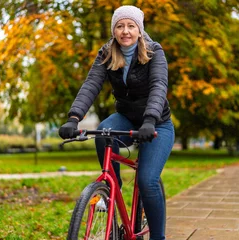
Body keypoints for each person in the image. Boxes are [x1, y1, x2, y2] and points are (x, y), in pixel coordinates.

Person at [59, 5, 174, 240]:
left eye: (131, 26)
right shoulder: (107, 53)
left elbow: (158, 86)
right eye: (120, 26)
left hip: (157, 124)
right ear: (114, 30)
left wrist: (150, 120)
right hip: (126, 118)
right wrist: (74, 117)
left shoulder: (154, 52)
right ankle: (113, 187)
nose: (125, 31)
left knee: (146, 180)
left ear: (139, 30)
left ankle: (158, 237)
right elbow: (91, 85)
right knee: (103, 132)